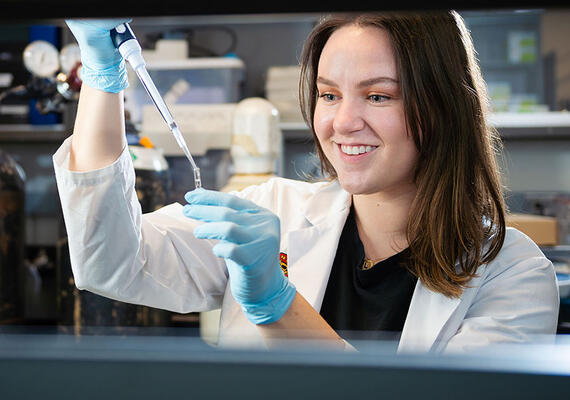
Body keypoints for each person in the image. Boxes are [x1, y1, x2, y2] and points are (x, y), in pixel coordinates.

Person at [54, 11, 559, 353]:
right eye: (329, 95)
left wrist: (276, 301)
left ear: (444, 107)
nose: (343, 123)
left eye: (379, 96)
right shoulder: (273, 212)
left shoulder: (511, 275)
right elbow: (111, 264)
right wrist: (103, 75)